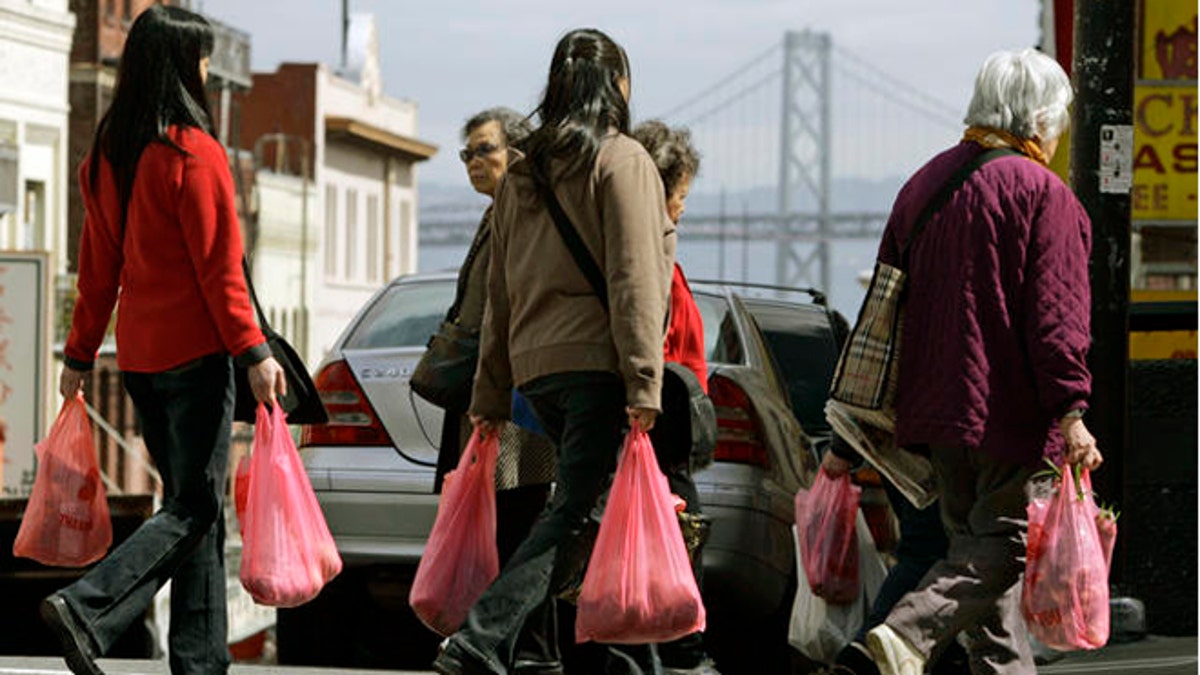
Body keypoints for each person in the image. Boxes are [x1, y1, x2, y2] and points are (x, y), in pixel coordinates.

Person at [823, 48, 1103, 675]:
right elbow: (1056, 318)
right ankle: (903, 636)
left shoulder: (922, 185)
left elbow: (887, 300)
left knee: (978, 568)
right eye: (1056, 124)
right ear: (1039, 122)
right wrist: (1071, 411)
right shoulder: (1043, 194)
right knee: (1003, 545)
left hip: (932, 413)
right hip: (1009, 414)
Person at [41, 6, 285, 675]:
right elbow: (220, 269)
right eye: (202, 59)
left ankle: (200, 660)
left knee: (191, 509)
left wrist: (80, 353)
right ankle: (90, 606)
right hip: (199, 357)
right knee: (196, 504)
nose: (207, 71)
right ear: (182, 65)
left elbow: (96, 270)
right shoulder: (191, 152)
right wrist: (254, 351)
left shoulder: (106, 156)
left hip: (142, 362)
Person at [433, 28, 676, 675]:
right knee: (574, 511)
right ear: (616, 87)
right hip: (597, 368)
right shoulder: (623, 161)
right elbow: (635, 280)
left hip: (536, 371)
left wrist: (490, 393)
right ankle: (482, 638)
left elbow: (501, 295)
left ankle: (602, 650)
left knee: (581, 504)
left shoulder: (524, 172)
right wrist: (645, 381)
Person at [433, 106, 561, 674]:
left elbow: (502, 313)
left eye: (484, 149)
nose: (474, 163)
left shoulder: (525, 214)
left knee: (520, 519)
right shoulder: (500, 215)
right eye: (466, 154)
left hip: (513, 395)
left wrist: (490, 390)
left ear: (517, 152)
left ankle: (529, 650)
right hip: (493, 392)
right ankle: (526, 648)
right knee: (512, 521)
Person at [631, 120, 719, 675]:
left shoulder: (649, 251)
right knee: (681, 532)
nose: (683, 208)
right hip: (658, 424)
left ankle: (651, 642)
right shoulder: (650, 256)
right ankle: (681, 648)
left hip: (660, 422)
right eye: (681, 195)